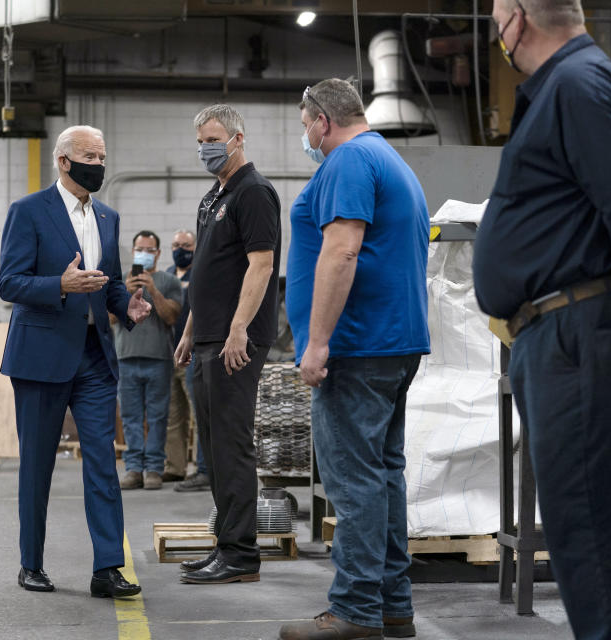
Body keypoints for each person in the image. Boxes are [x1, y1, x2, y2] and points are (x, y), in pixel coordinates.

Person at [471, 1, 611, 637]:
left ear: (518, 18)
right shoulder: (567, 85)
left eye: (496, 15)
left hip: (577, 332)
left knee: (589, 536)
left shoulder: (577, 81)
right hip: (564, 332)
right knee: (591, 539)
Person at [279, 78, 430, 640]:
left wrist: (317, 343)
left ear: (323, 120)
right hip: (393, 342)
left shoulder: (347, 160)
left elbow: (342, 250)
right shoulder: (387, 157)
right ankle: (393, 605)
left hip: (358, 346)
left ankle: (355, 611)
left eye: (304, 126)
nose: (307, 137)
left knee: (355, 481)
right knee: (383, 475)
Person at [0, 124, 151, 599]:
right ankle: (32, 564)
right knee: (37, 466)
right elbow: (9, 282)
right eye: (91, 156)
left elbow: (109, 284)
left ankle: (107, 568)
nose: (99, 165)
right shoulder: (28, 212)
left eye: (104, 157)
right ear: (64, 161)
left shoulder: (108, 217)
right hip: (41, 356)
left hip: (93, 358)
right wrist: (58, 285)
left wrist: (127, 305)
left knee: (102, 464)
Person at [174, 104, 281, 585]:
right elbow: (206, 275)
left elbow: (262, 266)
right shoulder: (211, 198)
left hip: (234, 342)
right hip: (208, 339)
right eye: (199, 142)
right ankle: (226, 544)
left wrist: (238, 328)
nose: (205, 149)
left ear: (238, 138)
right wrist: (190, 330)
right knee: (214, 448)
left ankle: (241, 555)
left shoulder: (253, 193)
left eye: (213, 139)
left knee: (232, 446)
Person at [115, 230, 182, 491]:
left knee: (157, 416)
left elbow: (171, 317)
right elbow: (110, 319)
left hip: (158, 359)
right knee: (130, 417)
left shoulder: (168, 281)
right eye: (139, 249)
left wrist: (152, 289)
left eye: (149, 249)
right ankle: (133, 469)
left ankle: (153, 468)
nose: (144, 253)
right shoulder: (121, 281)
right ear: (133, 252)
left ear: (158, 253)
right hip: (126, 358)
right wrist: (127, 297)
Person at [166, 230, 210, 492]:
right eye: (176, 245)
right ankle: (175, 468)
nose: (180, 249)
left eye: (185, 245)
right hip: (170, 353)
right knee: (174, 415)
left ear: (195, 247)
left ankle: (203, 470)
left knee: (199, 414)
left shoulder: (202, 273)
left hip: (194, 353)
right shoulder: (169, 274)